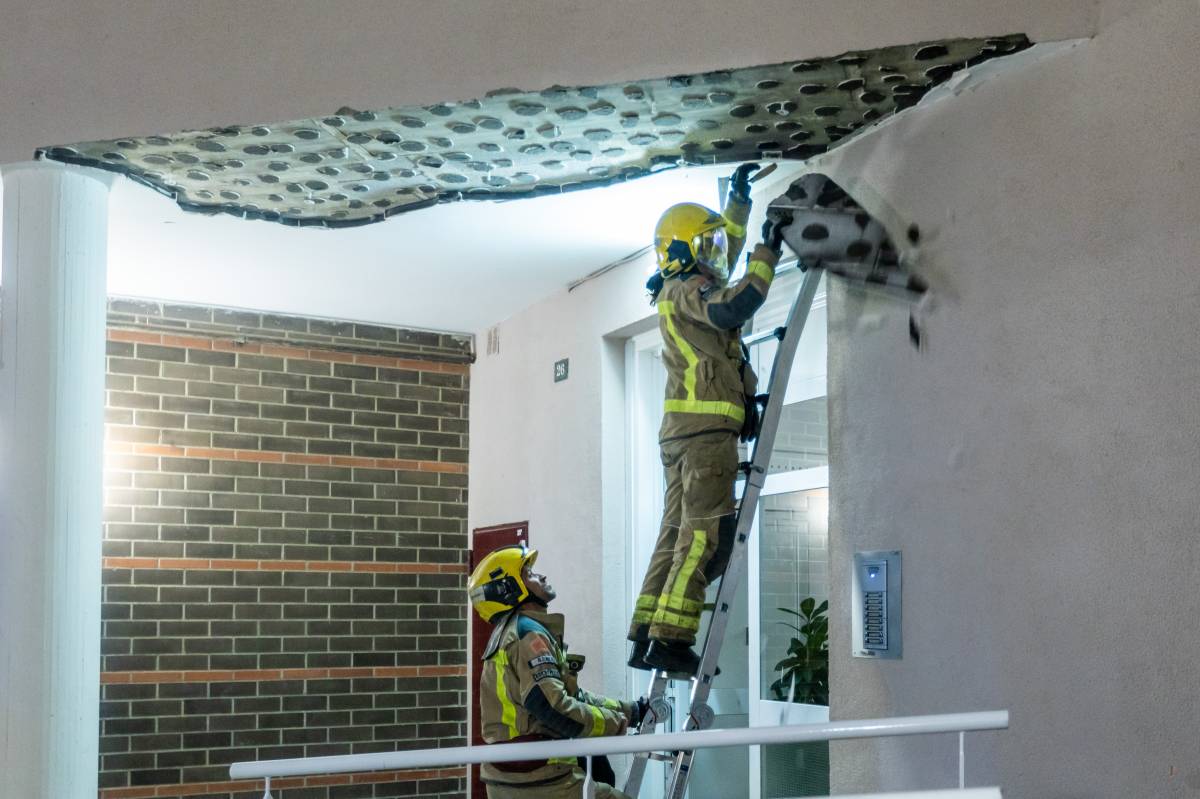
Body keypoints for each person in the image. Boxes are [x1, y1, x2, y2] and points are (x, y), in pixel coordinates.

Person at [628, 162, 791, 675]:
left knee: (674, 533)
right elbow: (736, 303)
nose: (717, 257)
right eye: (706, 248)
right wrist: (771, 249)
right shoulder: (690, 293)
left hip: (684, 436)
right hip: (705, 437)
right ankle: (673, 638)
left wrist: (740, 201)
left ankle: (646, 633)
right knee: (700, 537)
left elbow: (725, 251)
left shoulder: (673, 291)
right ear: (683, 251)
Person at [470, 544, 646, 798]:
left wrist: (630, 711)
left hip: (518, 777)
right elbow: (553, 707)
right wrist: (614, 725)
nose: (541, 575)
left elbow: (572, 695)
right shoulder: (528, 636)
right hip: (542, 778)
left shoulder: (517, 632)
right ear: (508, 590)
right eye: (529, 574)